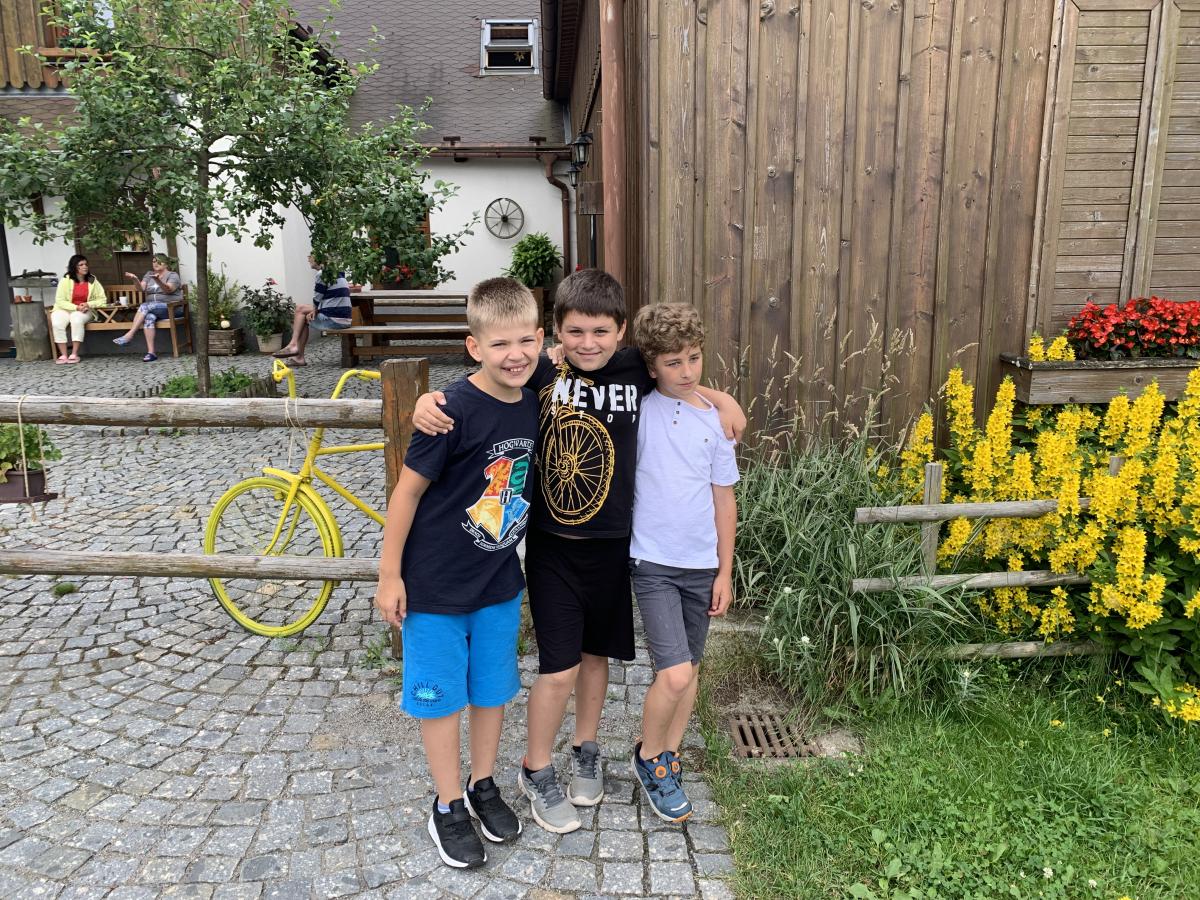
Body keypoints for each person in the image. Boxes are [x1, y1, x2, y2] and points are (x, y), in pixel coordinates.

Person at [412, 269, 747, 834]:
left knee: (596, 660)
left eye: (600, 332)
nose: (588, 343)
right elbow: (488, 375)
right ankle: (536, 766)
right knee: (559, 667)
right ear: (555, 332)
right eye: (575, 332)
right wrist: (429, 399)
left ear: (622, 332)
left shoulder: (634, 368)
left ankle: (585, 748)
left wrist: (722, 398)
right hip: (552, 548)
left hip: (615, 548)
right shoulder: (544, 369)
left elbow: (678, 376)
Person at [374, 276, 543, 869]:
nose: (515, 354)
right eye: (499, 344)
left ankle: (482, 784)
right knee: (441, 698)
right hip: (436, 587)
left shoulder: (535, 394)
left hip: (498, 582)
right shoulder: (448, 412)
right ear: (474, 347)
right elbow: (406, 493)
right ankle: (447, 803)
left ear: (540, 339)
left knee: (492, 690)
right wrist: (390, 575)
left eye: (525, 341)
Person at [627, 302, 738, 823]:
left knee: (690, 671)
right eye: (673, 362)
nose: (687, 371)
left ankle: (668, 756)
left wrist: (725, 571)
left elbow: (724, 499)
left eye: (694, 358)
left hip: (701, 565)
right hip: (652, 561)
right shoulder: (637, 409)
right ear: (651, 366)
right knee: (672, 674)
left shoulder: (715, 421)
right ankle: (648, 756)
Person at [272, 255, 353, 366]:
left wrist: (315, 309)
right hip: (344, 318)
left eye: (311, 255)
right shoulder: (336, 273)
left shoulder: (322, 274)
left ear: (318, 258)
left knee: (300, 310)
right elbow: (328, 300)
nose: (308, 258)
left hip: (334, 319)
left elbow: (317, 298)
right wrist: (316, 310)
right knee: (302, 317)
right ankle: (298, 357)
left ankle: (293, 345)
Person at [113, 253, 183, 362]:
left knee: (146, 306)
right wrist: (135, 279)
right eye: (154, 261)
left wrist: (158, 280)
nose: (155, 263)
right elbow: (141, 289)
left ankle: (130, 334)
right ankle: (151, 353)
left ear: (166, 264)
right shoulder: (149, 274)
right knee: (149, 317)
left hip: (171, 308)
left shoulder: (173, 275)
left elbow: (168, 290)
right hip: (154, 309)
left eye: (159, 261)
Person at [51, 254, 106, 364]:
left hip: (85, 310)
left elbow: (102, 300)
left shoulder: (92, 280)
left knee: (76, 319)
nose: (85, 267)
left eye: (86, 264)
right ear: (74, 267)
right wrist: (76, 307)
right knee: (57, 323)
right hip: (64, 309)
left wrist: (88, 304)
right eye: (81, 265)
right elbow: (60, 300)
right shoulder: (65, 280)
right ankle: (63, 354)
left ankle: (74, 353)